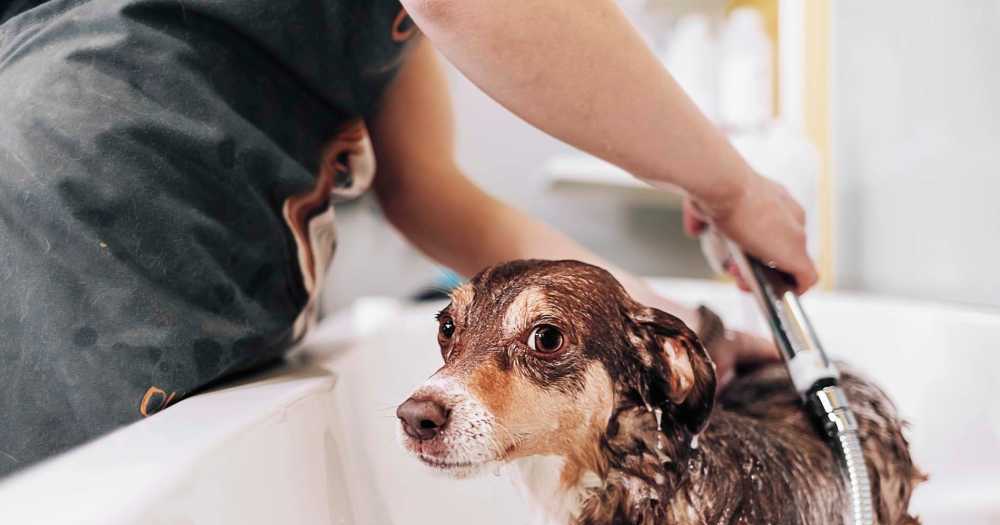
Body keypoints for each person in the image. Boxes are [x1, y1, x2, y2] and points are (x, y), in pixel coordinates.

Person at [0, 0, 814, 474]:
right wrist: (730, 184)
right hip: (81, 224)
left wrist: (653, 324)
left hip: (138, 231)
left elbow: (429, 193)